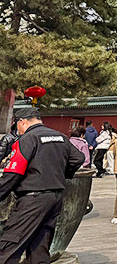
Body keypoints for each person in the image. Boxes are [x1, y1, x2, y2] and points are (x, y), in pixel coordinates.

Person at [0, 107, 84, 263]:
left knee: (9, 248)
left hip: (33, 200)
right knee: (39, 248)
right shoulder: (60, 136)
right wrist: (58, 175)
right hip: (55, 198)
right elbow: (78, 158)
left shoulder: (27, 139)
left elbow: (13, 173)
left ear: (22, 122)